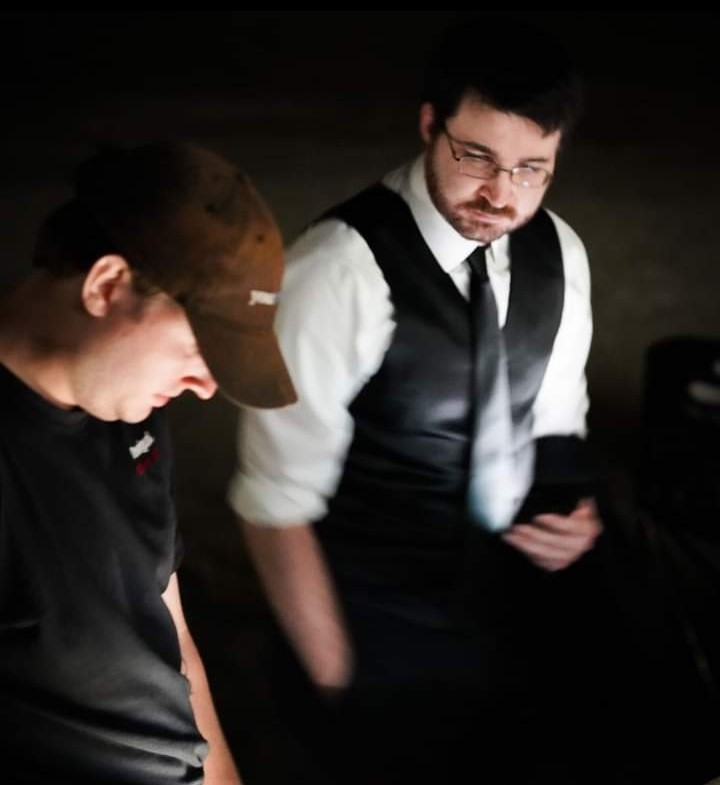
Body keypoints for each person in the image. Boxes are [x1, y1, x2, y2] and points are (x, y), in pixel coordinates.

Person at [229, 18, 605, 785]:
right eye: (478, 158)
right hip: (370, 626)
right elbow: (273, 503)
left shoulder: (560, 252)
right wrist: (339, 678)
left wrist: (574, 514)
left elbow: (559, 420)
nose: (503, 195)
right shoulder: (334, 272)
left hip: (507, 613)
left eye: (534, 168)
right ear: (430, 125)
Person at [0, 141, 296, 784]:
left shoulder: (134, 418)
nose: (207, 385)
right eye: (197, 346)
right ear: (107, 285)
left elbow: (173, 648)